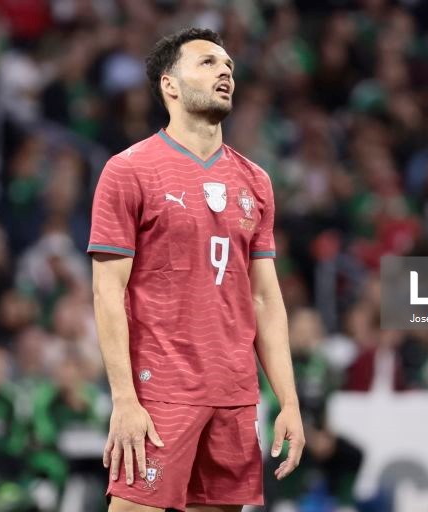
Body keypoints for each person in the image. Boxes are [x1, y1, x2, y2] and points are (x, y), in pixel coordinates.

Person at [88, 28, 305, 512]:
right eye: (208, 63)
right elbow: (108, 292)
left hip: (233, 394)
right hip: (160, 390)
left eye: (228, 64)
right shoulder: (129, 170)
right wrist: (124, 399)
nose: (225, 71)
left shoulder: (256, 181)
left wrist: (287, 400)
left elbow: (265, 298)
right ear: (170, 85)